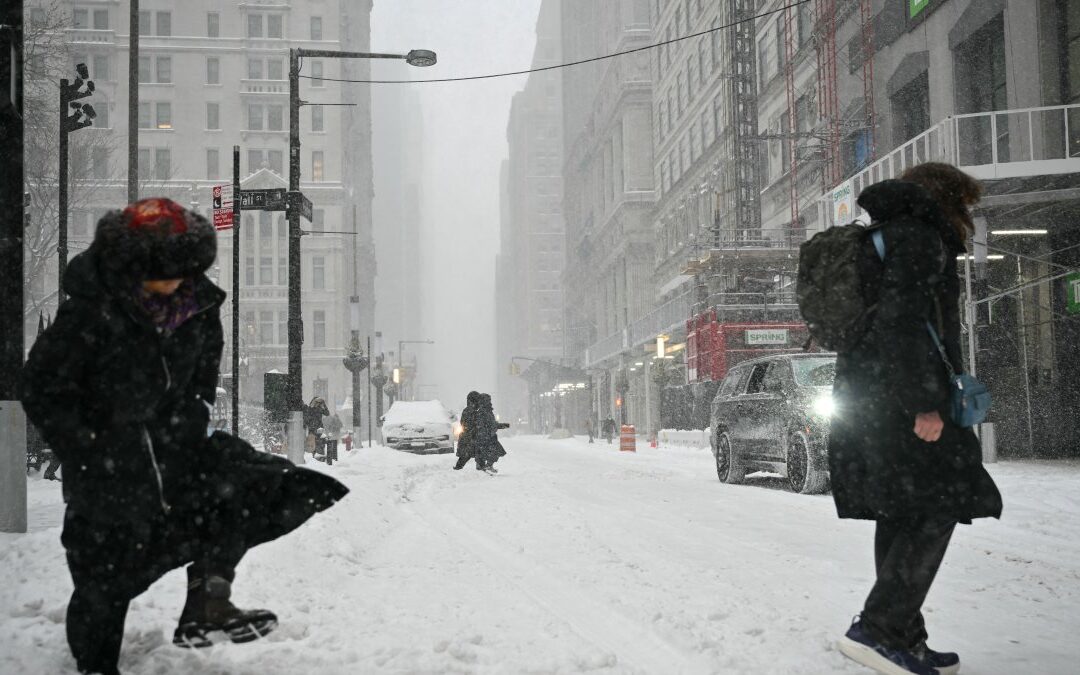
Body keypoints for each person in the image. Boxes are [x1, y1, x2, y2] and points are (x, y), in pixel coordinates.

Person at [21, 198, 349, 675]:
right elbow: (41, 386)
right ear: (132, 269)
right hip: (109, 469)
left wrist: (193, 413)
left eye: (183, 273)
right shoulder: (91, 313)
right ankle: (95, 662)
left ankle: (209, 599)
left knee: (254, 485)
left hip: (179, 453)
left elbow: (201, 376)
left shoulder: (197, 307)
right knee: (104, 584)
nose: (175, 284)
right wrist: (87, 445)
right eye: (162, 275)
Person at [827, 165, 1002, 675]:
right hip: (900, 400)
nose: (967, 217)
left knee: (902, 508)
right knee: (939, 500)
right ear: (946, 199)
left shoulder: (879, 236)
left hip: (869, 396)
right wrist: (923, 403)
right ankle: (879, 629)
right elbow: (902, 323)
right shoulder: (920, 239)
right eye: (964, 205)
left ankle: (903, 636)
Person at [474, 393, 509, 474]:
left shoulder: (487, 410)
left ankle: (488, 465)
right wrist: (498, 426)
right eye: (488, 400)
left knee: (494, 451)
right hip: (485, 436)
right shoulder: (482, 411)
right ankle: (484, 466)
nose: (490, 401)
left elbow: (491, 424)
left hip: (489, 436)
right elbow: (484, 425)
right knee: (492, 451)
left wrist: (499, 425)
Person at [452, 391, 482, 470]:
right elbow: (466, 424)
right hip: (469, 438)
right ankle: (458, 468)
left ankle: (480, 467)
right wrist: (475, 429)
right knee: (469, 454)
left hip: (469, 438)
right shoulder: (471, 411)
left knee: (468, 454)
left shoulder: (470, 410)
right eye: (478, 400)